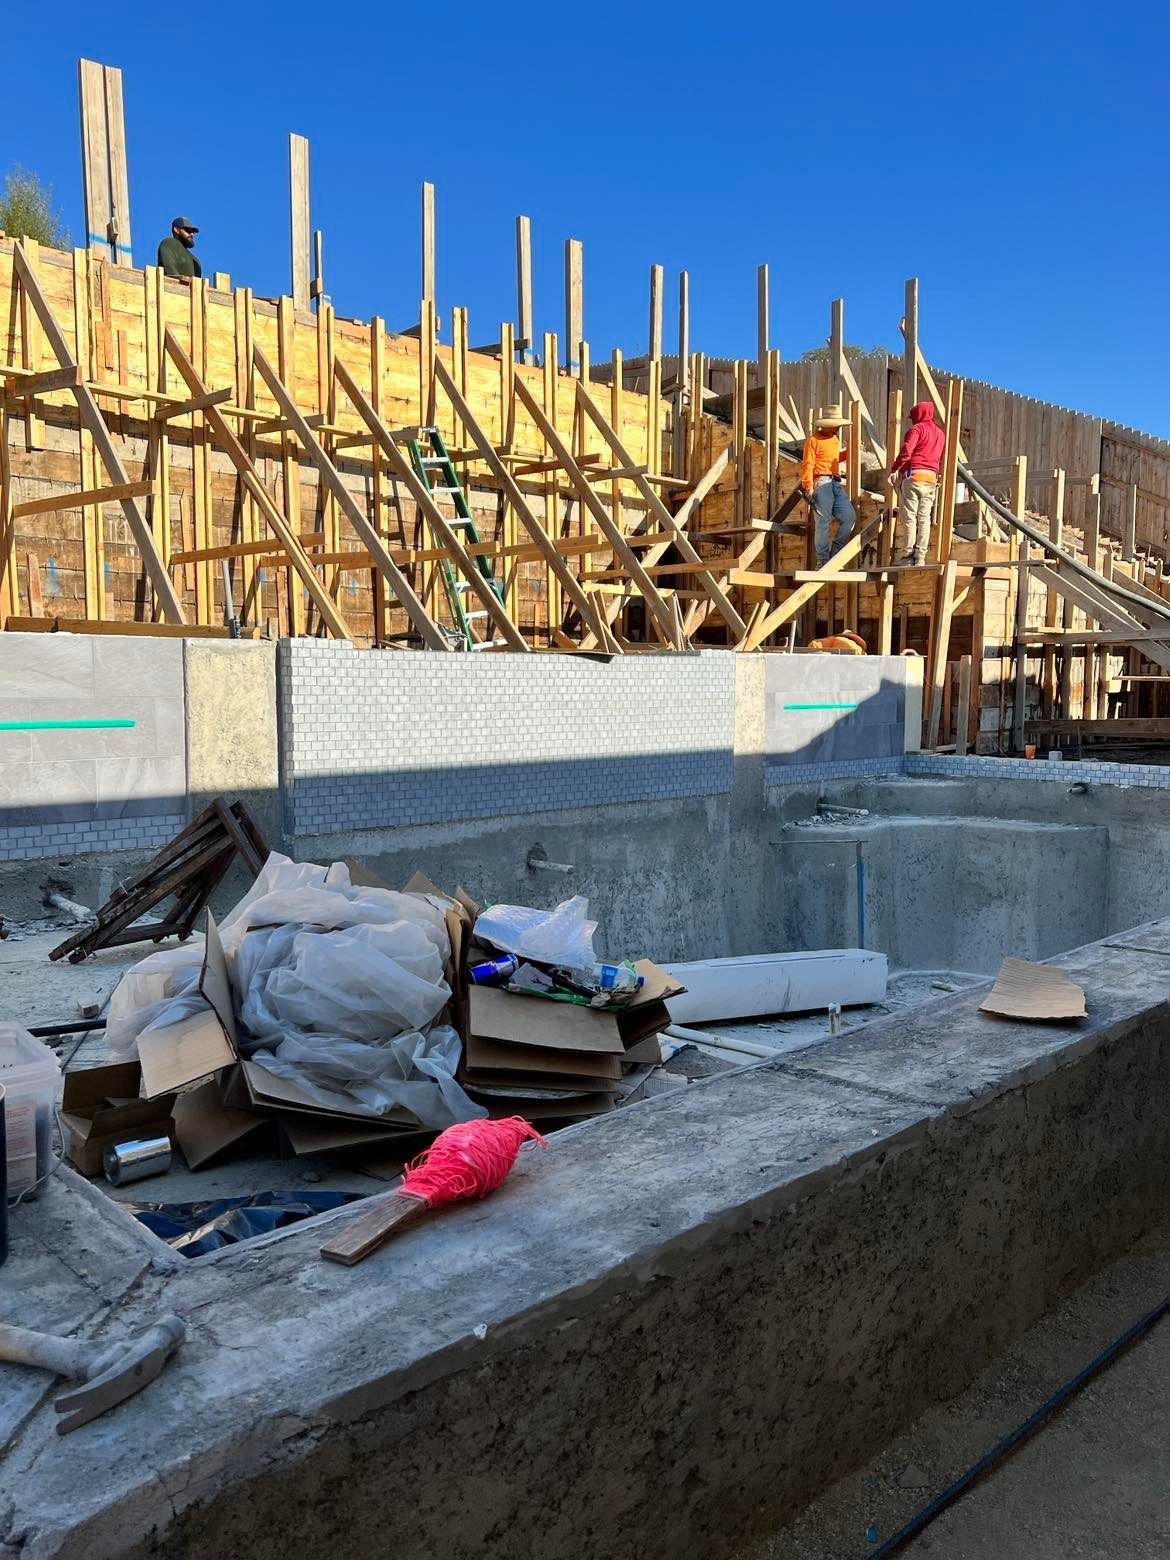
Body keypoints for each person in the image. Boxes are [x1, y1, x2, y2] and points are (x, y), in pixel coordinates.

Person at [890, 401, 946, 565]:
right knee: (924, 518)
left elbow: (907, 451)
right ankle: (920, 557)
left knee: (909, 518)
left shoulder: (917, 429)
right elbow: (939, 458)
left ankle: (908, 555)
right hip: (931, 480)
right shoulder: (940, 434)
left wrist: (895, 469)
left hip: (914, 478)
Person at [801, 404, 856, 565]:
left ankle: (835, 555)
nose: (838, 427)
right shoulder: (813, 440)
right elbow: (808, 465)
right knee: (823, 523)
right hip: (821, 482)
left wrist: (849, 453)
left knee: (849, 516)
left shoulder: (834, 439)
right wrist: (809, 487)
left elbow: (832, 459)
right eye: (836, 424)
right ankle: (823, 562)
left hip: (834, 482)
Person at [157, 216, 202, 282]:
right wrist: (180, 284)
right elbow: (169, 269)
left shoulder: (195, 260)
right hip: (172, 289)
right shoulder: (169, 243)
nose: (192, 234)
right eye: (188, 230)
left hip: (191, 291)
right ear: (176, 230)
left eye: (193, 232)